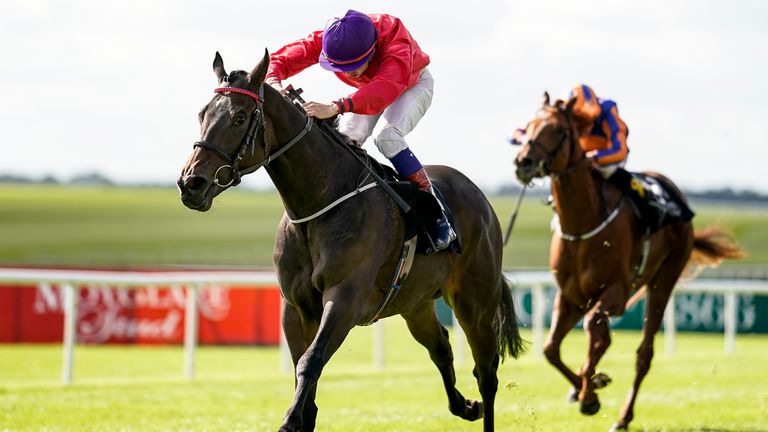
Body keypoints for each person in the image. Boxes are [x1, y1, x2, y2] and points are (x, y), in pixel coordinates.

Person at [265, 9, 456, 252]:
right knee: (346, 141)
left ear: (373, 49)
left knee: (387, 138)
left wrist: (336, 107)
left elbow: (384, 89)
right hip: (369, 90)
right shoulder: (333, 38)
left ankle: (436, 212)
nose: (348, 72)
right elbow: (284, 57)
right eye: (340, 66)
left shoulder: (394, 39)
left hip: (411, 85)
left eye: (354, 65)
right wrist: (273, 79)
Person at [511, 84, 662, 229]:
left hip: (606, 158)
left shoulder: (608, 109)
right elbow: (517, 133)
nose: (583, 127)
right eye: (578, 122)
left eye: (587, 122)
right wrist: (526, 141)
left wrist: (593, 158)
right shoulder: (558, 113)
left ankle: (649, 207)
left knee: (607, 171)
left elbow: (619, 149)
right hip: (577, 158)